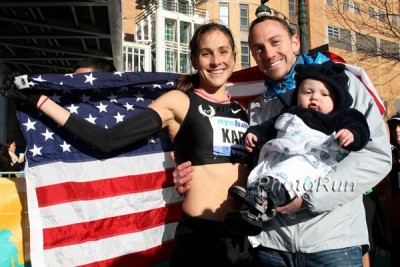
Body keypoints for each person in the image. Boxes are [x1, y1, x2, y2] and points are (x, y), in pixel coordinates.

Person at [1, 22, 252, 266]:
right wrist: (39, 101)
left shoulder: (242, 112)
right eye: (206, 53)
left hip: (240, 238)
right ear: (195, 60)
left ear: (234, 56)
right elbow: (107, 140)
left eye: (223, 51)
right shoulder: (178, 101)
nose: (216, 61)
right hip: (200, 240)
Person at [174, 15, 391, 266]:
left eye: (275, 42)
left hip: (332, 245)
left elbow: (376, 156)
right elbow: (249, 165)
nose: (269, 53)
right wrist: (191, 175)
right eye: (258, 48)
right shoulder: (258, 108)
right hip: (272, 249)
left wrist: (308, 199)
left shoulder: (340, 86)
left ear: (295, 43)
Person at [224, 61, 370, 236]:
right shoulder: (291, 111)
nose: (314, 97)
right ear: (298, 94)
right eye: (307, 92)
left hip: (312, 159)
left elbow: (360, 127)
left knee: (293, 170)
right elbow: (270, 126)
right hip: (281, 155)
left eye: (324, 94)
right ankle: (251, 214)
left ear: (337, 99)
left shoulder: (340, 115)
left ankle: (262, 198)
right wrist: (254, 133)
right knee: (262, 171)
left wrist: (351, 133)